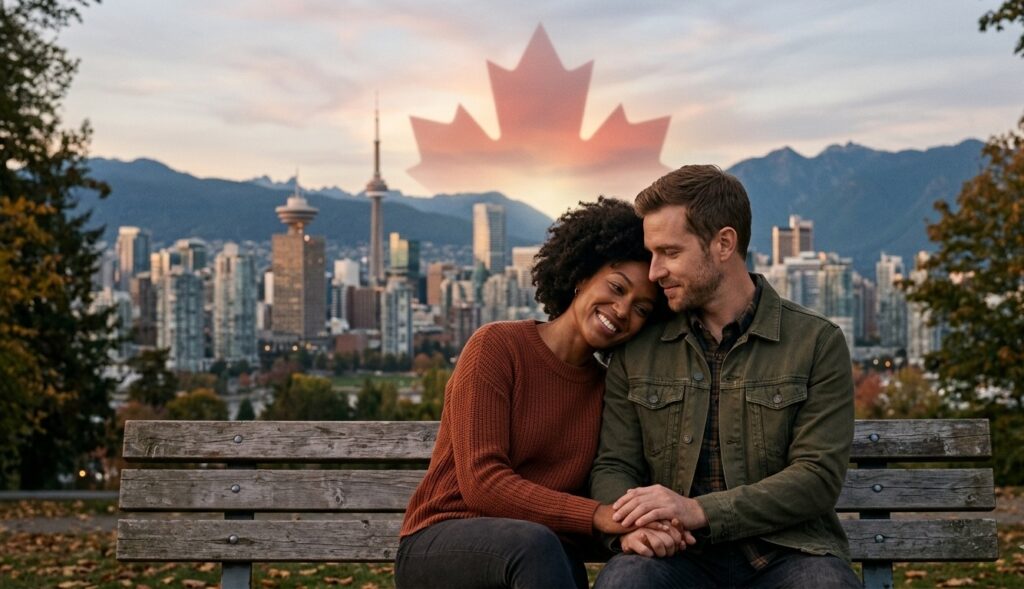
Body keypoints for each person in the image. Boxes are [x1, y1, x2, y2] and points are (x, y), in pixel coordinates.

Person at [395, 197, 688, 589]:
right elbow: (483, 483)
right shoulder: (497, 347)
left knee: (554, 555)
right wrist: (599, 515)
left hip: (541, 553)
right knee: (538, 547)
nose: (621, 309)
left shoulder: (609, 391)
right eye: (617, 287)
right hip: (443, 542)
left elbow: (610, 479)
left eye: (641, 309)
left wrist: (634, 527)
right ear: (582, 276)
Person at [590, 165, 861, 588]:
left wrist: (699, 511)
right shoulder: (637, 350)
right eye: (652, 254)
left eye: (670, 252)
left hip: (788, 554)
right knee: (626, 583)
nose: (655, 271)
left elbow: (816, 477)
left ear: (723, 243)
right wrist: (633, 525)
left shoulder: (816, 342)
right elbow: (614, 465)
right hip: (675, 556)